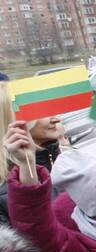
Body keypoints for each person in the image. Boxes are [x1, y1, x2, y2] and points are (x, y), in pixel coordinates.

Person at [0, 81, 64, 226]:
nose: (56, 119)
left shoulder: (64, 157)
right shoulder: (5, 190)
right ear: (14, 121)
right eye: (43, 112)